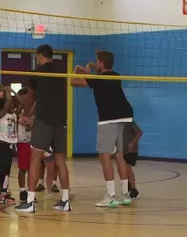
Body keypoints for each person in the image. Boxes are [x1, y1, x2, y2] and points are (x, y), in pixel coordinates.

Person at [71, 50, 133, 207]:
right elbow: (98, 72)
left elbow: (73, 82)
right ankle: (126, 195)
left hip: (109, 120)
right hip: (126, 117)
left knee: (104, 157)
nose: (94, 62)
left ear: (101, 63)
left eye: (96, 61)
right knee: (120, 156)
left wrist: (77, 70)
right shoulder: (116, 75)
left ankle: (111, 196)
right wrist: (90, 67)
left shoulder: (97, 78)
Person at [15, 44, 71, 213]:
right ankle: (65, 200)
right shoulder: (62, 72)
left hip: (44, 121)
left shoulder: (37, 72)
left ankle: (30, 202)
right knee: (60, 160)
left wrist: (25, 115)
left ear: (39, 56)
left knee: (35, 159)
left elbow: (31, 96)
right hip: (60, 121)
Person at [0, 86, 19, 204]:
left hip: (9, 145)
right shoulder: (1, 115)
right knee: (0, 169)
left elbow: (21, 103)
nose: (11, 105)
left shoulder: (14, 115)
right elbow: (7, 104)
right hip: (0, 145)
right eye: (9, 104)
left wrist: (13, 92)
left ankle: (4, 191)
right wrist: (7, 92)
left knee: (7, 170)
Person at [123, 120, 142, 199]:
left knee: (127, 170)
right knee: (123, 170)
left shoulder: (129, 121)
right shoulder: (117, 123)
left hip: (131, 150)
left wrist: (132, 143)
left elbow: (140, 132)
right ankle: (129, 188)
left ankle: (134, 191)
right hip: (123, 150)